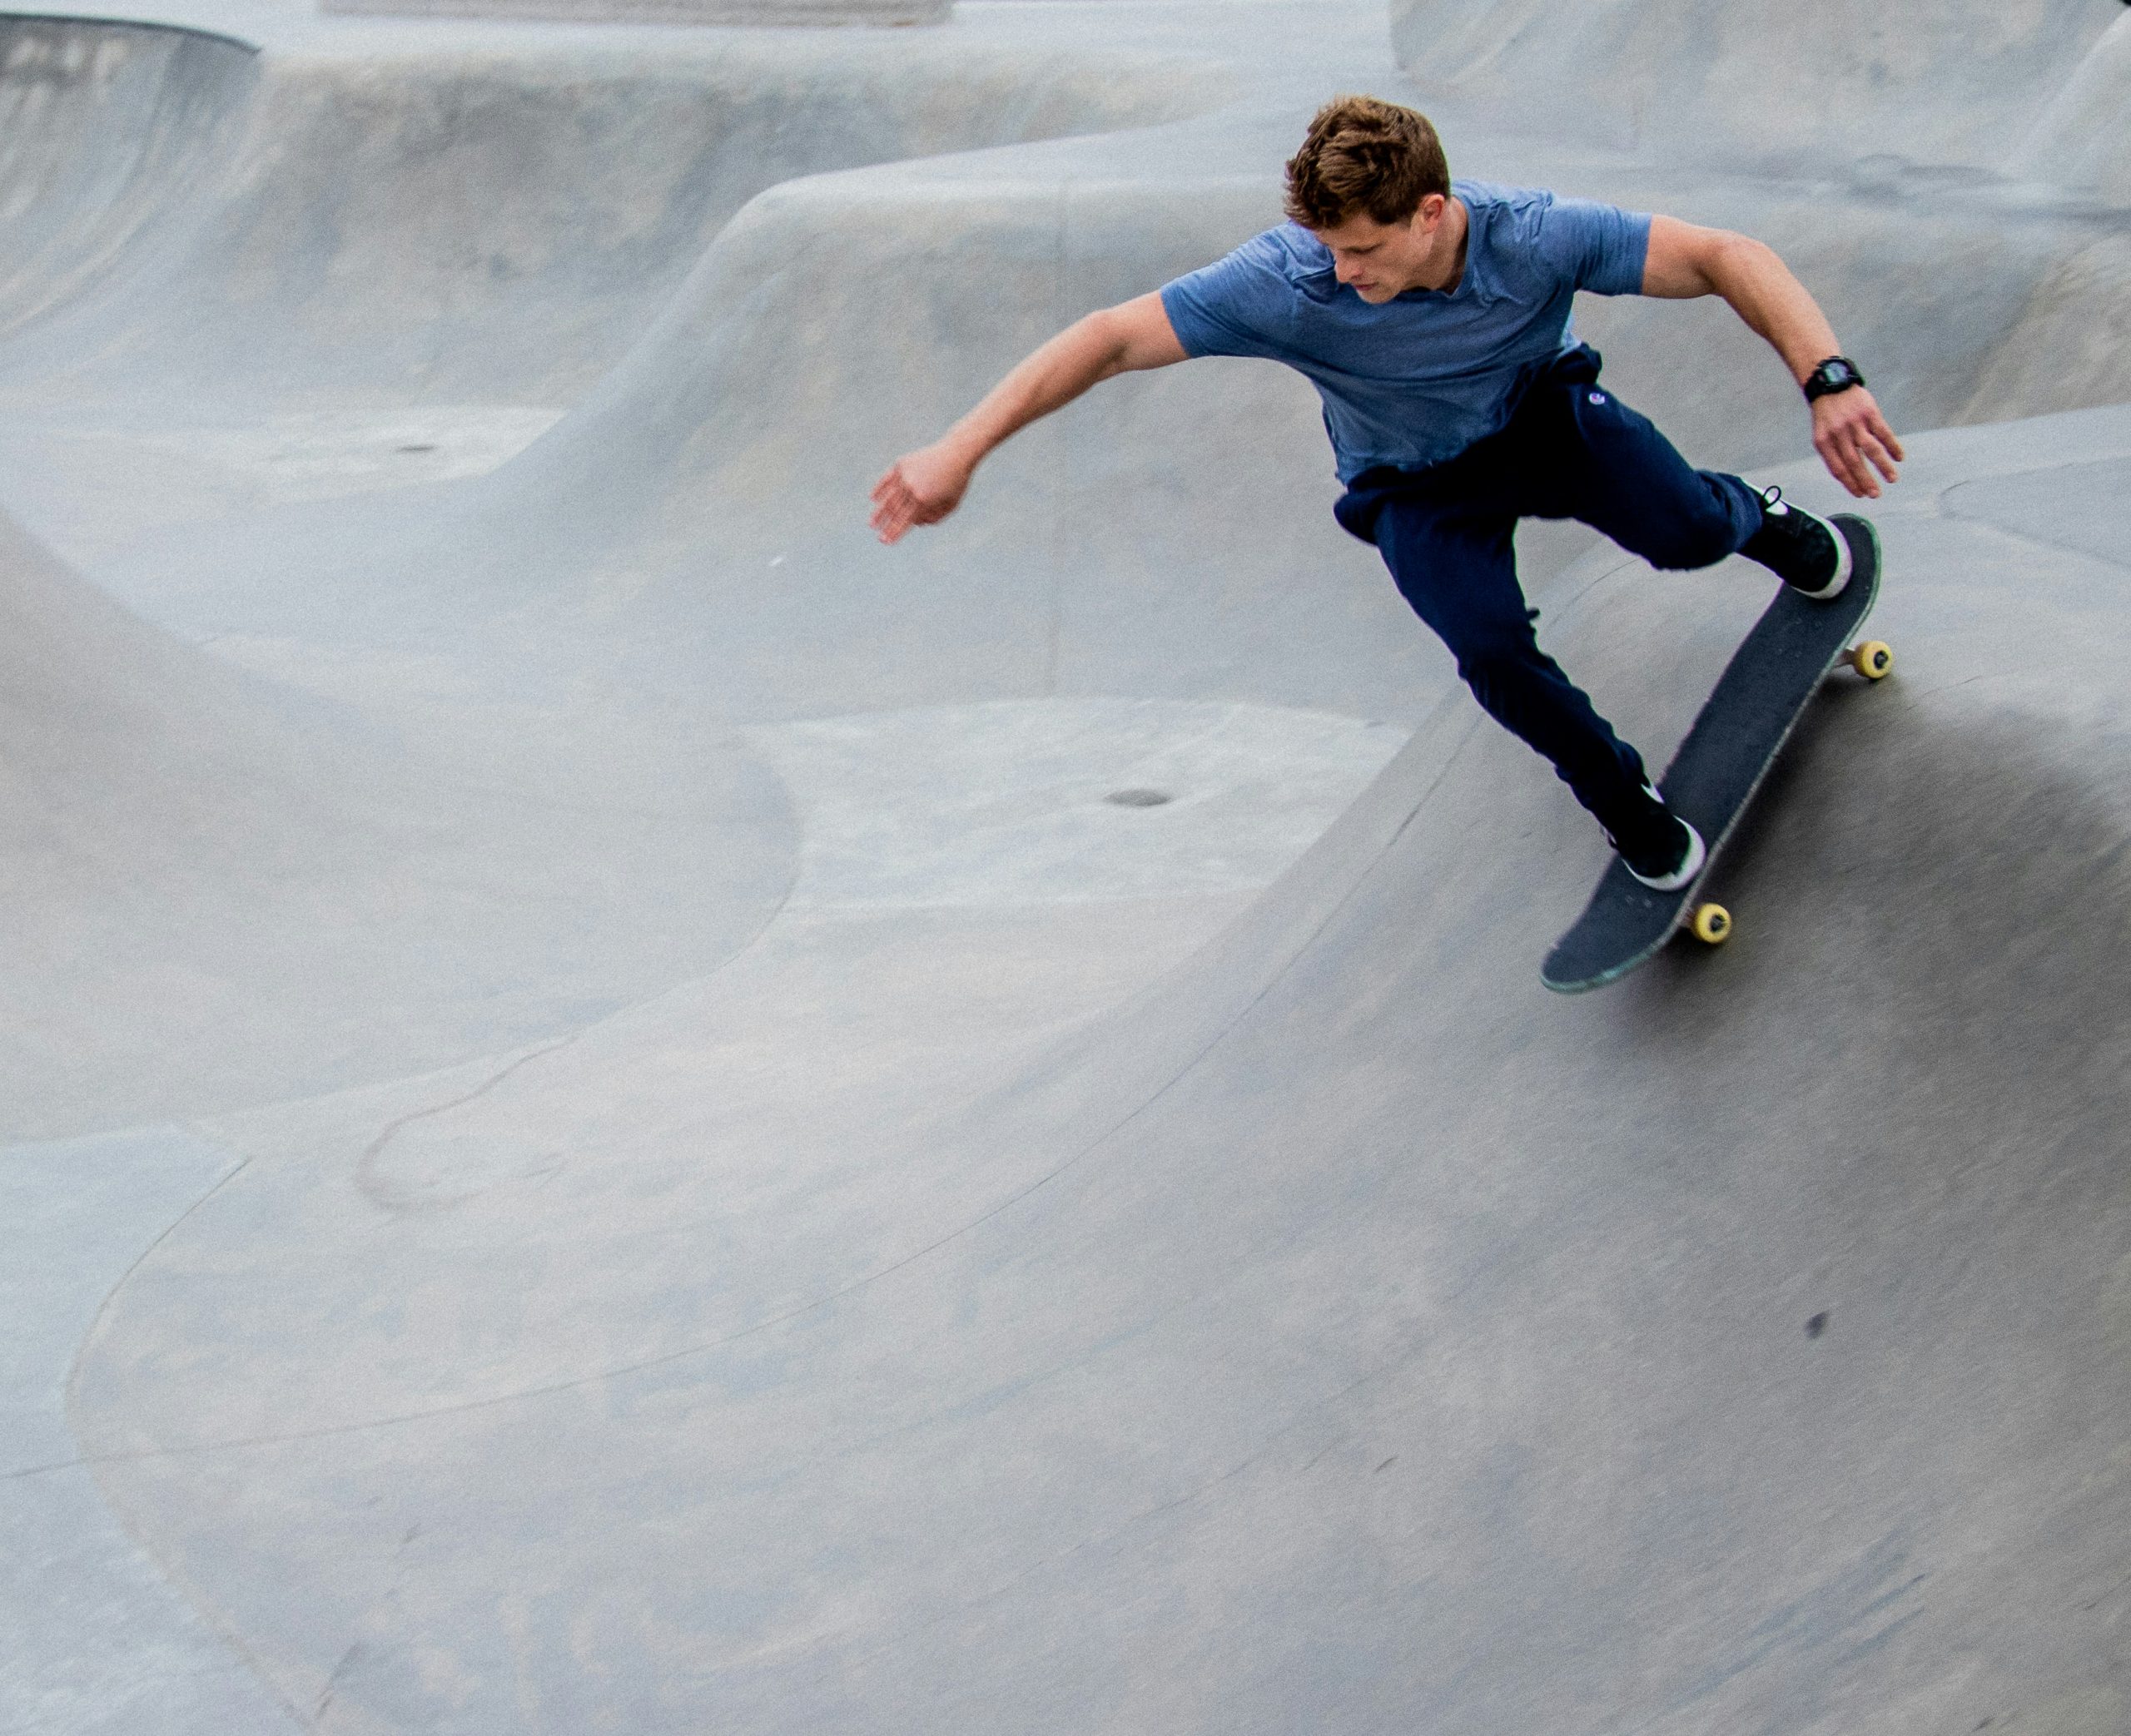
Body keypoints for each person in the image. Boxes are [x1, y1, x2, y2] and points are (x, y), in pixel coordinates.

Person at [869, 95, 1905, 889]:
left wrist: (1828, 379)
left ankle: (1758, 521)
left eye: (1363, 249)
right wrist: (959, 449)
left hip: (1542, 416)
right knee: (1491, 652)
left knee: (1682, 532)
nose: (1343, 272)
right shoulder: (1286, 278)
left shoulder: (1534, 235)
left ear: (1431, 213)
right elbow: (1107, 339)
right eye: (1329, 248)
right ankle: (1621, 799)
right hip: (1411, 489)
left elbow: (1730, 255)